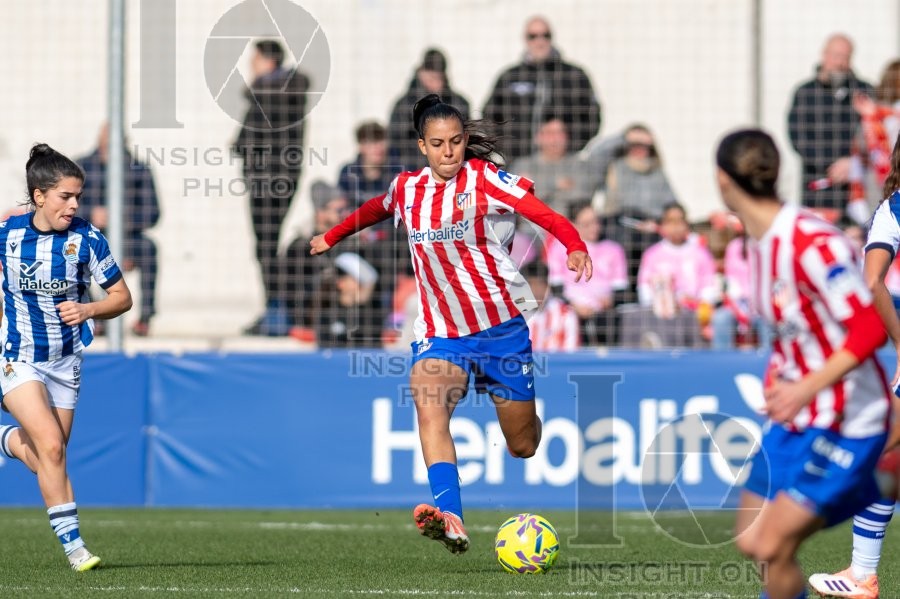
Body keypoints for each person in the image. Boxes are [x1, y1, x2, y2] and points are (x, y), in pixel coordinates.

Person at [309, 94, 592, 553]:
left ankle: (529, 420)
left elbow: (541, 214)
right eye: (438, 143)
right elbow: (376, 208)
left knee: (522, 445)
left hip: (501, 329)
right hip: (443, 332)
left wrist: (573, 244)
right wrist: (333, 235)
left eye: (456, 142)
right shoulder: (407, 189)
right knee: (429, 403)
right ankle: (452, 516)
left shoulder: (484, 179)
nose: (448, 152)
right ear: (422, 146)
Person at [716, 129, 889, 599]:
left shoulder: (810, 241)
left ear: (722, 181)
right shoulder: (755, 243)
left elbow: (871, 327)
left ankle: (879, 475)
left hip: (848, 419)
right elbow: (794, 328)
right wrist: (782, 382)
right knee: (752, 540)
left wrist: (805, 386)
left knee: (772, 544)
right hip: (798, 418)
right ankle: (878, 480)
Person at [0, 144, 133, 571]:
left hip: (66, 361)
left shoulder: (87, 238)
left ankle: (4, 440)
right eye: (65, 196)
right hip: (18, 357)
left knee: (50, 456)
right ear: (39, 196)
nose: (74, 205)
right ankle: (76, 550)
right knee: (52, 448)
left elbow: (122, 298)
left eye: (78, 196)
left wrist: (89, 309)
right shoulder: (8, 233)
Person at [806, 133, 900, 599]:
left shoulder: (892, 208)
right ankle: (862, 573)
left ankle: (863, 575)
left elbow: (872, 282)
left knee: (885, 452)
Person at [233, 39, 311, 336]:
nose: (250, 67)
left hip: (276, 179)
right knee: (264, 245)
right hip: (260, 178)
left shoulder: (285, 87)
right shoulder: (264, 94)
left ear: (268, 61)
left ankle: (278, 309)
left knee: (267, 244)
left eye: (254, 60)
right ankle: (273, 307)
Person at [77, 123, 159, 336]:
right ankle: (95, 315)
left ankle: (145, 318)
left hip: (128, 239)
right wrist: (91, 215)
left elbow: (153, 213)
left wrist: (119, 220)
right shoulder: (81, 168)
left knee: (149, 249)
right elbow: (64, 207)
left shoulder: (139, 169)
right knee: (69, 253)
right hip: (89, 237)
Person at [482, 16, 601, 162]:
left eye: (545, 35)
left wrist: (571, 147)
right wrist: (506, 149)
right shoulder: (510, 76)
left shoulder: (573, 75)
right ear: (526, 40)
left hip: (562, 163)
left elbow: (593, 116)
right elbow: (489, 115)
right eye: (533, 36)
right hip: (518, 162)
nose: (540, 41)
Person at [788, 34, 874, 215]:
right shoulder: (805, 93)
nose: (840, 62)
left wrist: (855, 163)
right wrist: (834, 166)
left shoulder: (866, 92)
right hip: (818, 189)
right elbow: (798, 139)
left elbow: (877, 136)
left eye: (846, 57)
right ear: (824, 55)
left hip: (859, 191)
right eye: (836, 56)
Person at [545, 202, 627, 345]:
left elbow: (621, 289)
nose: (595, 227)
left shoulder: (613, 249)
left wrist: (610, 300)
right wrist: (573, 305)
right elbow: (555, 287)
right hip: (571, 311)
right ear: (573, 224)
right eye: (587, 224)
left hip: (605, 315)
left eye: (596, 222)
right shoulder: (558, 249)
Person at [387, 48, 470, 173]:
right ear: (421, 73)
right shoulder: (404, 106)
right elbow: (395, 143)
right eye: (432, 77)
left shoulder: (458, 103)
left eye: (439, 77)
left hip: (452, 170)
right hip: (414, 169)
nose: (436, 83)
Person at [510, 115, 595, 216]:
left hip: (566, 224)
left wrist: (536, 189)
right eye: (550, 133)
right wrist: (555, 184)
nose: (556, 138)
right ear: (538, 137)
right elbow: (517, 199)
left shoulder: (578, 165)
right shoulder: (523, 165)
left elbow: (582, 197)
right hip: (529, 228)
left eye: (560, 133)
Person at [522, 259, 579, 352]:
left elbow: (570, 354)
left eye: (540, 284)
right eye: (531, 285)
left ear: (548, 286)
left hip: (557, 365)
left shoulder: (566, 314)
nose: (536, 290)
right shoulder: (513, 313)